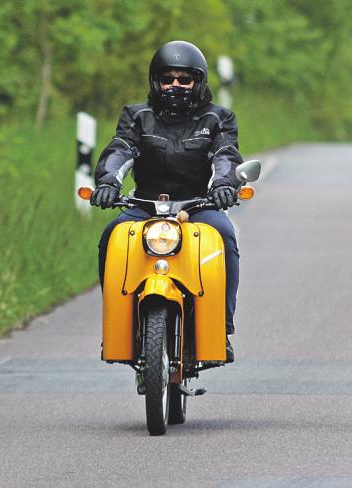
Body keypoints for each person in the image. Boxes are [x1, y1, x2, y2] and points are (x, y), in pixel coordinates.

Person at [91, 40, 243, 362]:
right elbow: (120, 149)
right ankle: (117, 324)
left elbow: (225, 156)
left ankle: (222, 329)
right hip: (144, 205)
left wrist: (224, 185)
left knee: (224, 237)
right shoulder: (137, 116)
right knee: (111, 237)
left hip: (199, 206)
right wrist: (107, 182)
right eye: (167, 78)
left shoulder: (218, 119)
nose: (175, 85)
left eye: (184, 79)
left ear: (198, 82)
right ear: (155, 81)